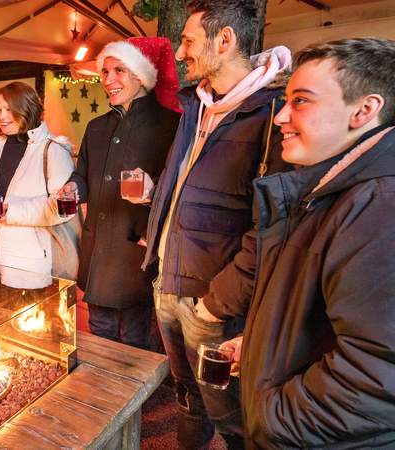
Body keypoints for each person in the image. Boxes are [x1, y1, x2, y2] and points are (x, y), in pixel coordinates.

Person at [198, 37, 395, 449]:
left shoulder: (379, 205)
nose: (281, 117)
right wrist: (260, 345)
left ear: (365, 110)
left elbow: (378, 374)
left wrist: (272, 419)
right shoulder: (329, 189)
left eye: (301, 101)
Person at [141, 0, 292, 447]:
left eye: (188, 40)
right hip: (167, 283)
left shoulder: (271, 117)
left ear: (224, 40)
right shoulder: (197, 106)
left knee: (233, 420)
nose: (181, 51)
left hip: (212, 304)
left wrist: (216, 304)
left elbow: (270, 230)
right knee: (187, 398)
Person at [63, 37, 180, 350]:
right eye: (104, 72)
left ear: (141, 75)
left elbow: (180, 189)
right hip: (97, 248)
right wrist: (74, 186)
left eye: (119, 70)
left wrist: (152, 191)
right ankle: (104, 398)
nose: (108, 80)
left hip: (135, 251)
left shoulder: (172, 126)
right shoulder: (96, 127)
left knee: (135, 343)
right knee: (98, 339)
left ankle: (134, 401)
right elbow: (82, 175)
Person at [0, 81, 74, 289]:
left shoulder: (52, 149)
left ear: (27, 109)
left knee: (23, 321)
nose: (1, 116)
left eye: (9, 109)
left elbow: (63, 210)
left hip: (27, 264)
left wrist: (12, 211)